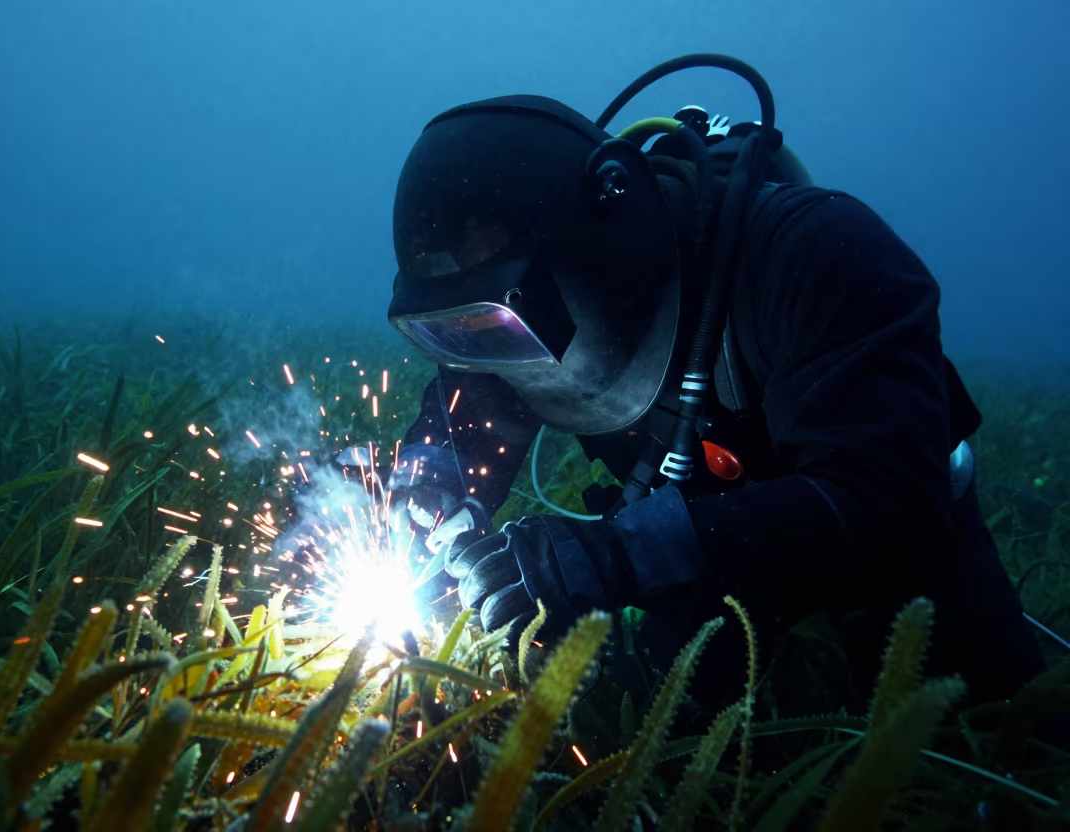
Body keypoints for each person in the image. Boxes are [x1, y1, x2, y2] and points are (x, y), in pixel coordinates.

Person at [383, 54, 1046, 709]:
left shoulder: (816, 252)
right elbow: (464, 408)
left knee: (990, 727)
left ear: (592, 256)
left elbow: (885, 496)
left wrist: (619, 555)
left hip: (886, 543)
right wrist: (429, 483)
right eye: (470, 332)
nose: (498, 357)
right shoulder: (510, 313)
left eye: (500, 325)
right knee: (671, 719)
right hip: (703, 551)